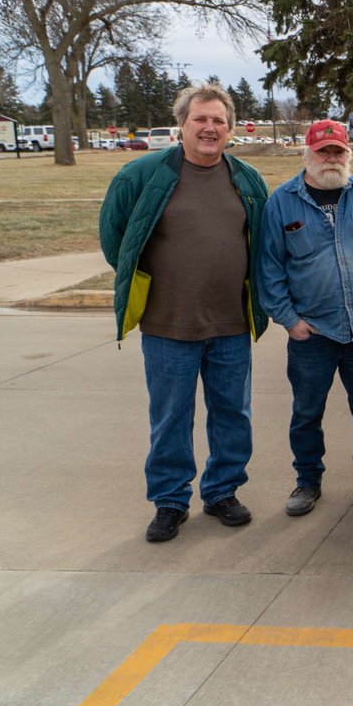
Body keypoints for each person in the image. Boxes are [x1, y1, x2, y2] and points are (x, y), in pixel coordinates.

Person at [99, 84, 268, 542]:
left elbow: (261, 243)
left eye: (219, 120)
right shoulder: (142, 175)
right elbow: (117, 241)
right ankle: (171, 501)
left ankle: (222, 492)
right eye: (201, 119)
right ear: (182, 124)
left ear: (230, 128)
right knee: (171, 416)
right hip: (166, 325)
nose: (210, 128)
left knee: (233, 413)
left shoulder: (248, 179)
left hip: (231, 323)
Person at [258, 120, 353, 517]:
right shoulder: (282, 202)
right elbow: (269, 270)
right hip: (312, 333)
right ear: (308, 154)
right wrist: (289, 319)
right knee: (307, 411)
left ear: (347, 154)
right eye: (324, 152)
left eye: (338, 151)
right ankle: (307, 481)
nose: (332, 159)